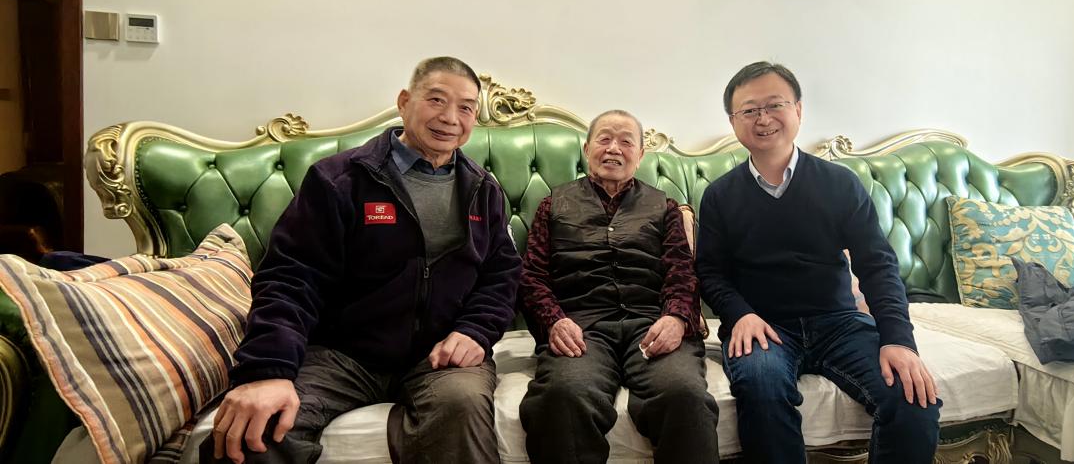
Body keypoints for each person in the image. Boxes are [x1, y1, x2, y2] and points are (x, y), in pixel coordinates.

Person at [203, 56, 522, 464]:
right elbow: (292, 277)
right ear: (404, 101)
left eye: (466, 108)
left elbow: (501, 274)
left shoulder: (483, 189)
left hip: (440, 358)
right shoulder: (340, 179)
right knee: (257, 431)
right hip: (342, 354)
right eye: (436, 100)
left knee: (461, 406)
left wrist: (475, 331)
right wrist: (268, 370)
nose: (450, 118)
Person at [696, 61, 941, 464]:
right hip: (764, 326)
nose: (763, 118)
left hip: (839, 322)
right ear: (733, 121)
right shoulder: (720, 195)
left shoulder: (840, 183)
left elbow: (877, 265)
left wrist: (898, 340)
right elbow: (710, 272)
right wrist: (740, 315)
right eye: (749, 110)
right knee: (761, 390)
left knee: (913, 396)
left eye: (775, 105)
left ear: (798, 109)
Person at [517, 109, 718, 464]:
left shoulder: (665, 207)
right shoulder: (552, 205)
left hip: (652, 323)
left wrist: (675, 319)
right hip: (582, 328)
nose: (614, 148)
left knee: (683, 393)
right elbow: (532, 276)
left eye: (626, 141)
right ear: (587, 149)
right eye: (605, 139)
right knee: (563, 394)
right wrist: (554, 321)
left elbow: (682, 273)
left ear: (640, 154)